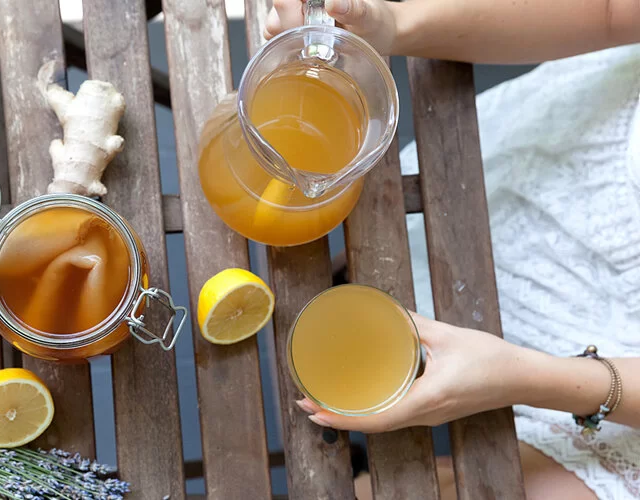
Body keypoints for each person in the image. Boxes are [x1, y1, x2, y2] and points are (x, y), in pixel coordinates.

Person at [266, 1, 640, 499]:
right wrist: (393, 26)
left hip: (609, 383)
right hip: (561, 165)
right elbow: (613, 13)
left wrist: (524, 377)